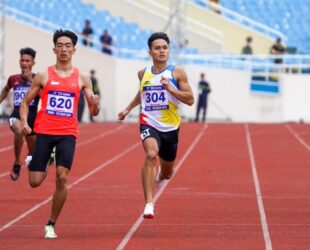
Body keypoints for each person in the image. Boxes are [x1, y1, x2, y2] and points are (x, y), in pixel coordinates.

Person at [20, 29, 100, 239]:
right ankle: (45, 160)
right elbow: (25, 103)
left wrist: (95, 105)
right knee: (34, 181)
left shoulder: (83, 77)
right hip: (44, 131)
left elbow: (93, 111)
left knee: (62, 178)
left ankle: (51, 224)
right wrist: (23, 122)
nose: (64, 49)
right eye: (60, 45)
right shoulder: (43, 75)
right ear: (54, 48)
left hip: (67, 133)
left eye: (68, 46)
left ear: (74, 49)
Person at [118, 32, 194, 219]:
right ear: (150, 51)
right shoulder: (143, 73)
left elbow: (190, 100)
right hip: (148, 123)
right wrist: (128, 108)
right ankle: (149, 203)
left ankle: (160, 177)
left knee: (167, 173)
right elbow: (142, 93)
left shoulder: (177, 73)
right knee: (151, 154)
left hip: (170, 128)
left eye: (164, 47)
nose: (161, 51)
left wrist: (171, 89)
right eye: (157, 48)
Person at [0, 47, 39, 181]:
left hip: (32, 119)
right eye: (22, 60)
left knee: (32, 151)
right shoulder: (13, 79)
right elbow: (5, 90)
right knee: (19, 131)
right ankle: (17, 163)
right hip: (16, 115)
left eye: (27, 61)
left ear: (33, 63)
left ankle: (30, 158)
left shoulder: (38, 79)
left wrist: (30, 81)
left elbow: (44, 95)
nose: (24, 63)